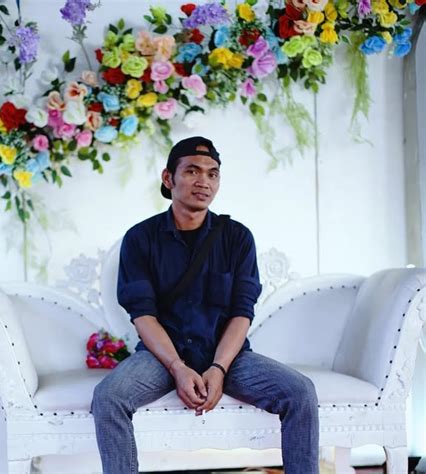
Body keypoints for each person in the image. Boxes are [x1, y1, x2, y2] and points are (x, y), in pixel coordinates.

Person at [92, 136, 319, 474]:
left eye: (213, 174)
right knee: (109, 397)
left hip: (228, 357)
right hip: (161, 357)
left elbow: (242, 312)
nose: (204, 182)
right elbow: (143, 314)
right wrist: (177, 367)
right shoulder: (140, 238)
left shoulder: (237, 238)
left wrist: (219, 368)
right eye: (192, 171)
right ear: (168, 178)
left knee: (300, 391)